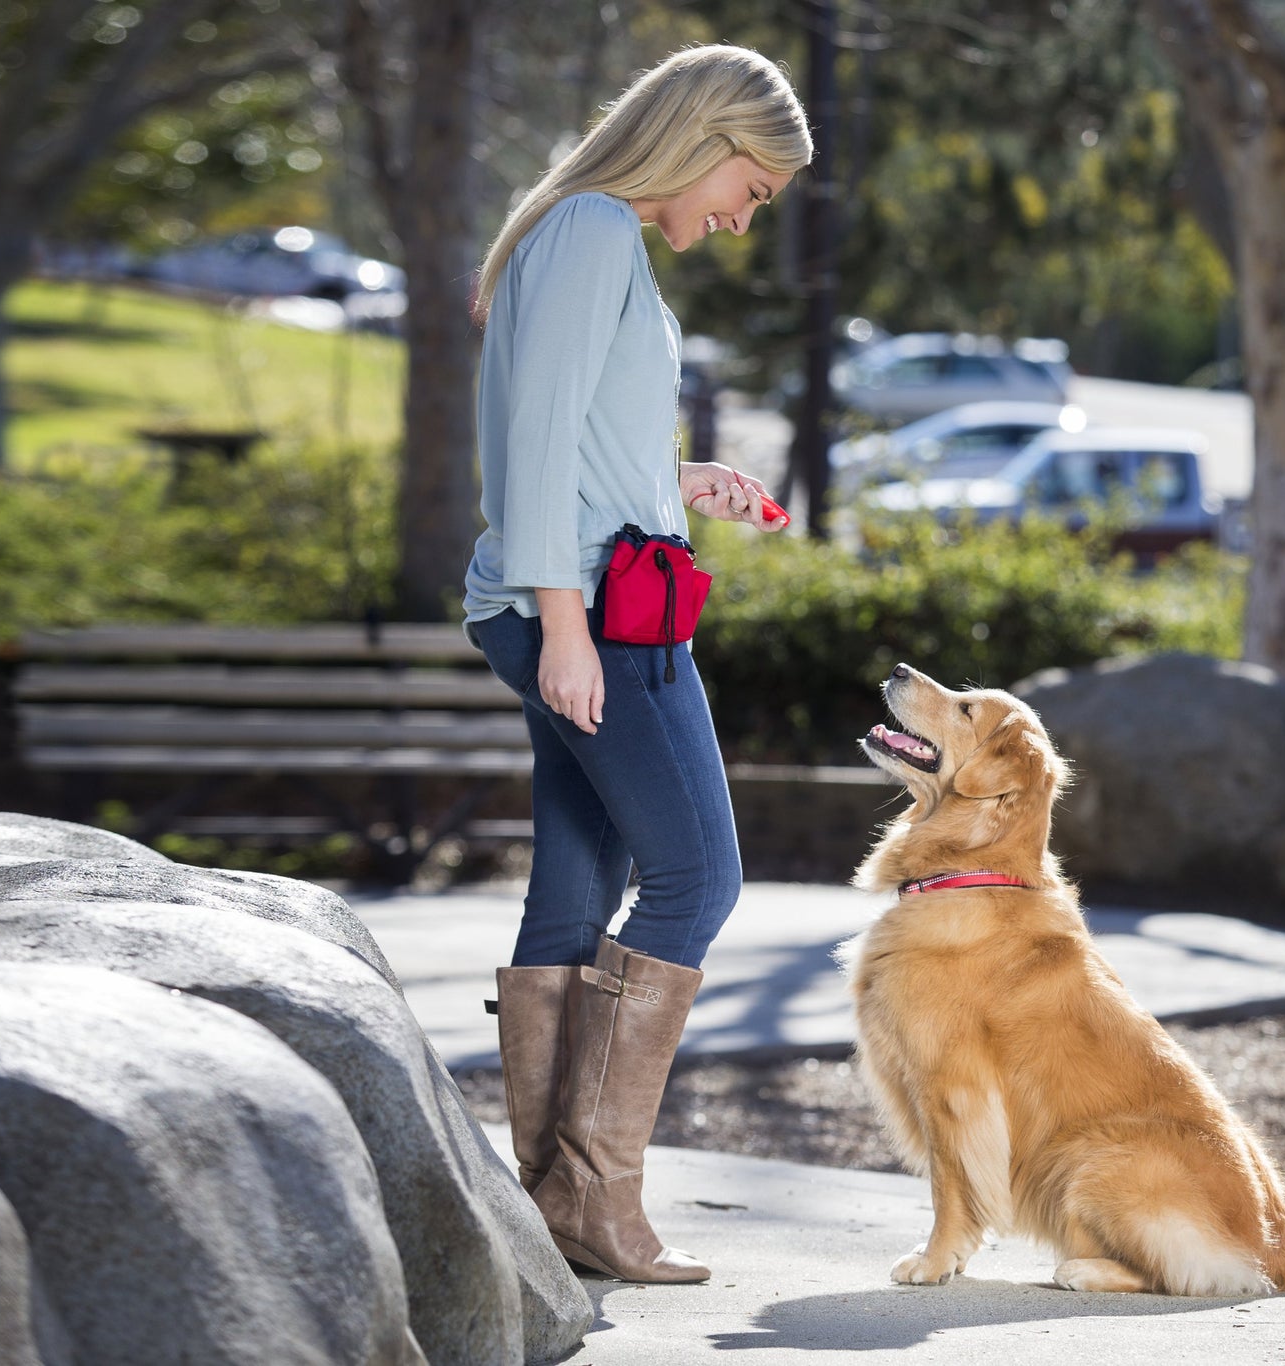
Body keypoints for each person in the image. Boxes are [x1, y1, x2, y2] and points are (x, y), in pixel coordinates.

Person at [462, 44, 809, 1285]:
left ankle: (550, 1212)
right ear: (705, 134)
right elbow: (534, 447)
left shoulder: (580, 239)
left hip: (593, 592)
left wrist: (674, 486)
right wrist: (565, 626)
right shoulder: (594, 233)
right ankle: (596, 1203)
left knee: (575, 882)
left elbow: (580, 440)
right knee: (696, 879)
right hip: (600, 614)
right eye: (752, 188)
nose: (739, 218)